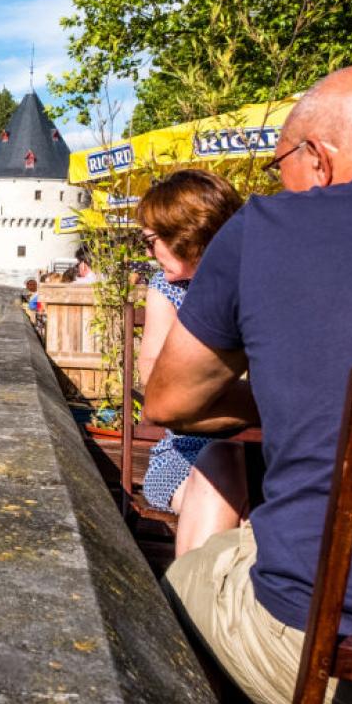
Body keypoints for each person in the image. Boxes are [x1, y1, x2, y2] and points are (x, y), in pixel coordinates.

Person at [146, 65, 352, 704]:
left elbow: (170, 399)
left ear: (317, 157)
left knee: (179, 589)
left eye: (281, 164)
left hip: (340, 667)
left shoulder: (273, 226)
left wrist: (291, 404)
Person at [135, 169, 246, 557]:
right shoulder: (166, 290)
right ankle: (191, 607)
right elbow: (158, 391)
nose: (147, 253)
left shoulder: (257, 281)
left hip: (276, 453)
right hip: (186, 453)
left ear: (185, 233)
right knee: (225, 465)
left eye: (151, 241)